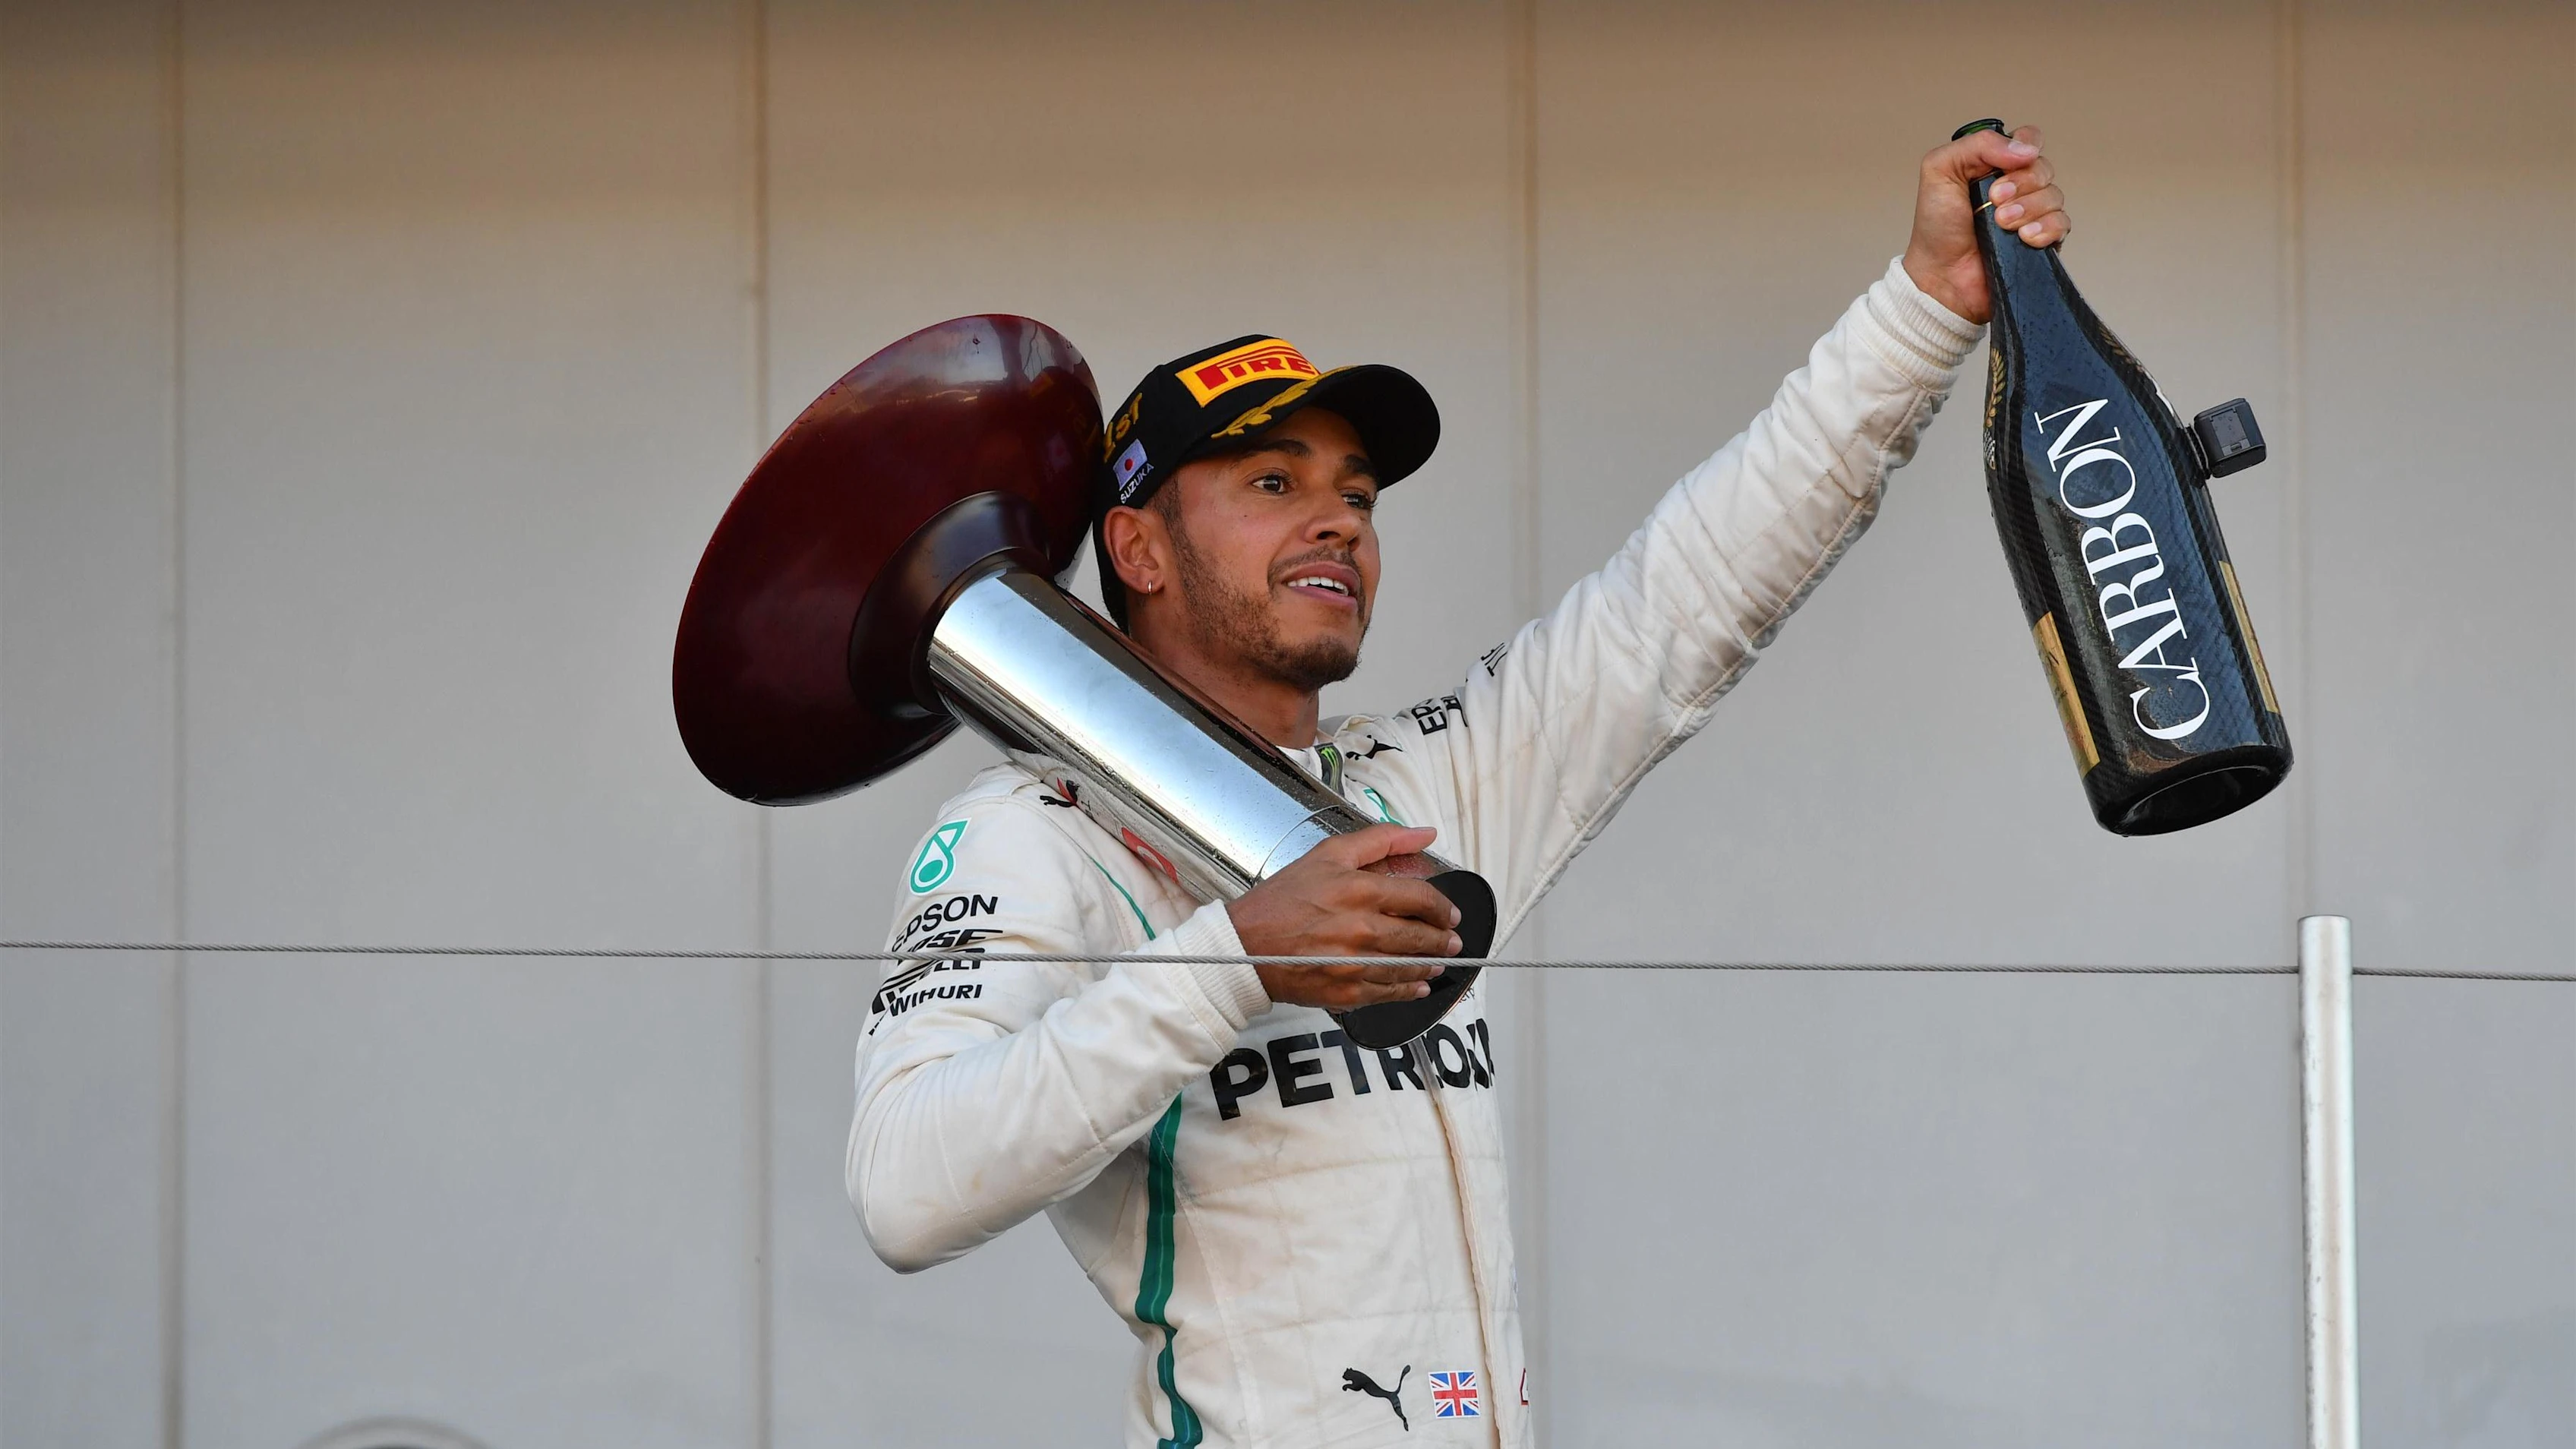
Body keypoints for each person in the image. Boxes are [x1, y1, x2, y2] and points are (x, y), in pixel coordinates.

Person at [848, 125, 2072, 1447]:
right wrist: (1239, 962)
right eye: (1274, 483)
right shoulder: (1032, 832)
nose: (1342, 523)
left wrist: (1924, 307)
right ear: (1136, 547)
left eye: (1359, 495)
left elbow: (1693, 587)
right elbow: (907, 1188)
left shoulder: (1415, 781)